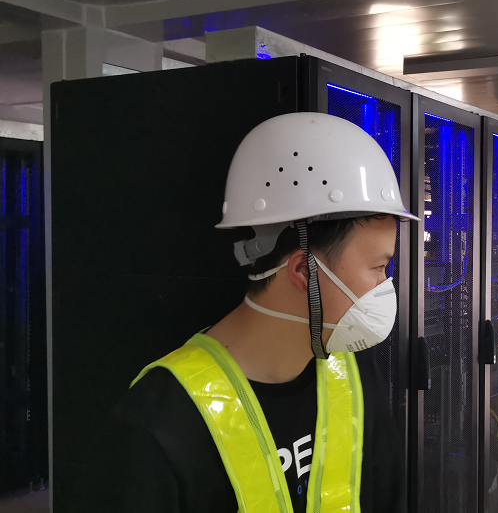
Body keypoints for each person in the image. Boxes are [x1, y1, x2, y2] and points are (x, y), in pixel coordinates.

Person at [80, 113, 417, 513]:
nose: (385, 285)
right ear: (302, 270)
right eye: (379, 267)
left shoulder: (352, 371)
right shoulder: (155, 430)